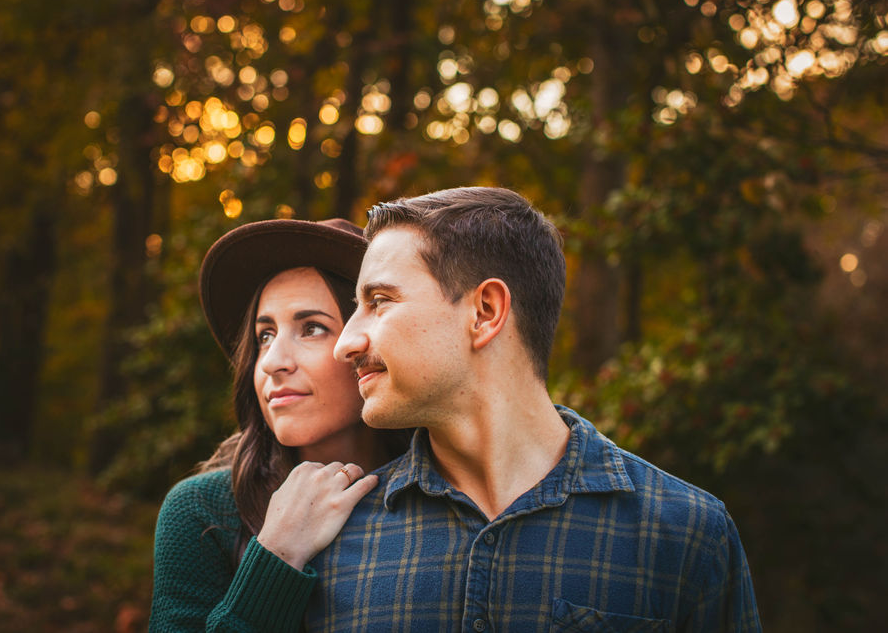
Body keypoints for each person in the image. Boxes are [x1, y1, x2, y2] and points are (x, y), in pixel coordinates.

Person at [299, 187, 759, 631]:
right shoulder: (334, 540)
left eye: (379, 302)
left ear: (485, 310)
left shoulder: (685, 534)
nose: (345, 344)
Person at [148, 218, 410, 633]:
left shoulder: (438, 493)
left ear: (366, 345)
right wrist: (277, 555)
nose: (272, 361)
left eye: (312, 329)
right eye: (264, 335)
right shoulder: (203, 513)